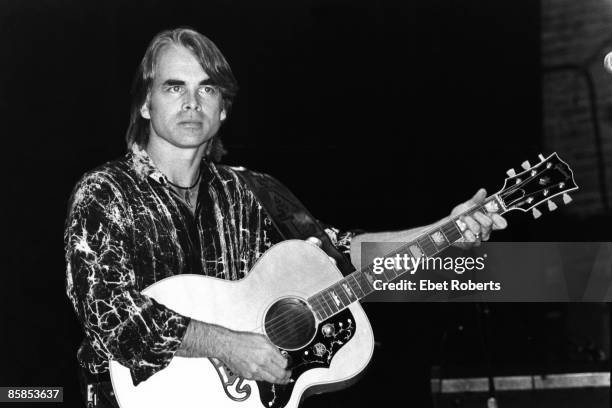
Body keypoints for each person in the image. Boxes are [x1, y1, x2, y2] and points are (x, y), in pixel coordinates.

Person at [64, 27, 507, 407]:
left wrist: (448, 230)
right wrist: (227, 345)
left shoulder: (254, 192)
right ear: (145, 104)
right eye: (174, 86)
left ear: (223, 109)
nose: (192, 102)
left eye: (207, 88)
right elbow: (111, 314)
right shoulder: (105, 192)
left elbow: (345, 254)